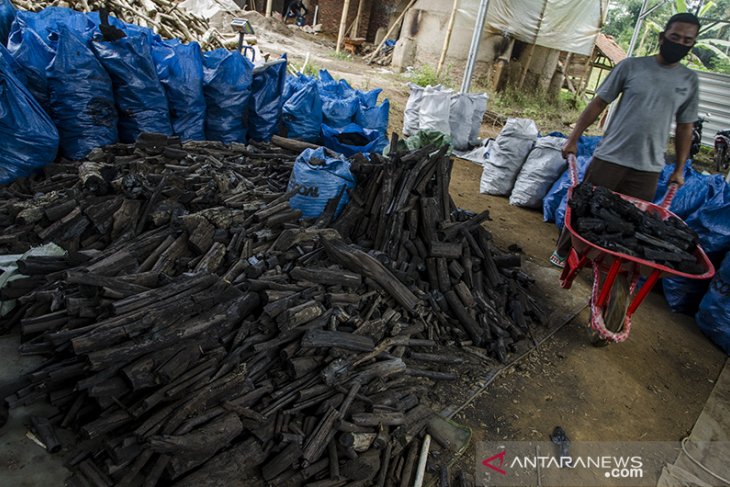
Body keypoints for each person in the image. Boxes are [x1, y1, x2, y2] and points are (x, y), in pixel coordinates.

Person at [550, 12, 701, 267]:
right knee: (584, 208)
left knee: (629, 223)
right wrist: (573, 138)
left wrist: (678, 169)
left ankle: (605, 265)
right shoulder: (632, 66)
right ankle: (564, 251)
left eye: (688, 40)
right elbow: (598, 103)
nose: (680, 43)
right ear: (663, 36)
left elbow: (686, 127)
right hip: (610, 156)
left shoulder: (688, 80)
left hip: (648, 168)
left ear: (692, 45)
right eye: (675, 37)